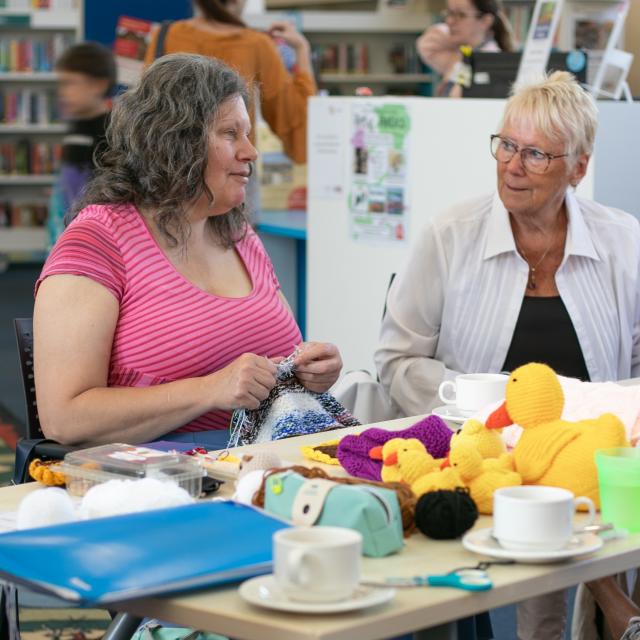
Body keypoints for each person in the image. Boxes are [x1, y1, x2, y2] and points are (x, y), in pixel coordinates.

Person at [375, 71, 640, 639]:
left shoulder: (623, 241)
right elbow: (396, 360)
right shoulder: (451, 235)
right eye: (506, 146)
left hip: (593, 452)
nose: (513, 166)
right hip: (481, 451)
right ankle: (612, 604)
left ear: (579, 167)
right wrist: (478, 403)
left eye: (537, 154)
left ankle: (609, 607)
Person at [33, 54, 341, 449]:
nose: (250, 152)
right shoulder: (97, 241)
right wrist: (210, 390)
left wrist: (306, 371)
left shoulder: (238, 234)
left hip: (255, 471)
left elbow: (263, 369)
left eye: (248, 135)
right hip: (153, 485)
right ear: (175, 142)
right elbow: (64, 418)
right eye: (231, 134)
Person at [143, 0, 315, 165]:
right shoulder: (255, 43)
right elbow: (296, 118)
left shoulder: (164, 35)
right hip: (235, 168)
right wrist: (301, 49)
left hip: (171, 170)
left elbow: (145, 109)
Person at [48, 42, 116, 247]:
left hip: (94, 236)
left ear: (99, 85)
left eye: (70, 83)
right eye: (61, 83)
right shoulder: (76, 124)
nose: (62, 92)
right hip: (67, 229)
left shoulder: (110, 130)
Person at [416, 0, 514, 97]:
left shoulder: (493, 61)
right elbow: (426, 43)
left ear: (485, 21)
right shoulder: (459, 53)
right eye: (450, 13)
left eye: (461, 15)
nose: (449, 21)